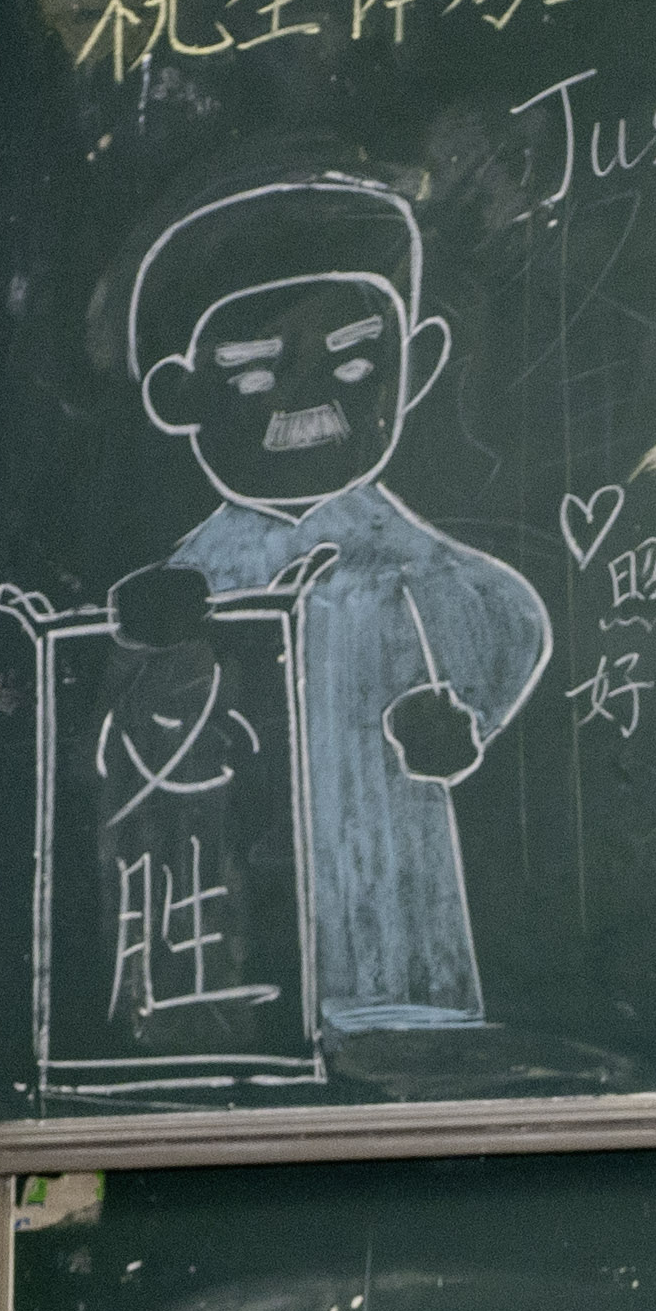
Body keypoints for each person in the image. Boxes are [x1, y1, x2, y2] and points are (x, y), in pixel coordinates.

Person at [108, 173, 550, 1033]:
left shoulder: (406, 557)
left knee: (398, 1014)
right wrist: (143, 640)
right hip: (236, 909)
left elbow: (511, 618)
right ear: (179, 399)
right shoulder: (197, 575)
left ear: (415, 364)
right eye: (250, 376)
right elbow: (118, 701)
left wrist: (464, 716)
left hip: (391, 882)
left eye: (352, 363)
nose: (305, 400)